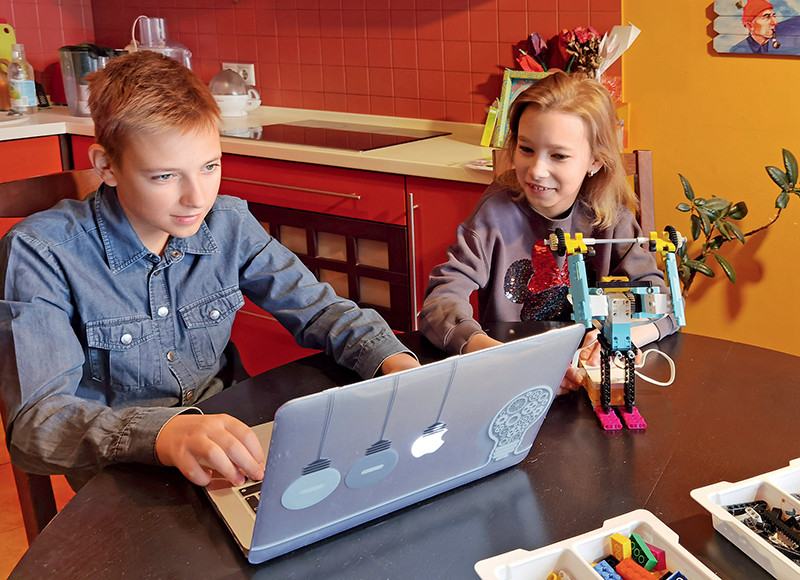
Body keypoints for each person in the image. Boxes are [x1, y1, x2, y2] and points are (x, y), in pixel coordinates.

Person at [0, 51, 419, 490]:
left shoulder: (227, 222)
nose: (197, 198)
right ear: (106, 166)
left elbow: (318, 310)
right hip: (123, 474)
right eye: (165, 176)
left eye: (209, 166)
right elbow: (37, 423)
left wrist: (395, 364)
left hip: (230, 439)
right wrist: (164, 433)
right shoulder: (41, 252)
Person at [418, 70, 678, 394]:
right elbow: (440, 304)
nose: (536, 170)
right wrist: (498, 356)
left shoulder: (613, 220)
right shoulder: (493, 215)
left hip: (587, 383)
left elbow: (664, 303)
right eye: (526, 149)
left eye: (558, 156)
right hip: (510, 382)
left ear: (596, 160)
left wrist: (619, 337)